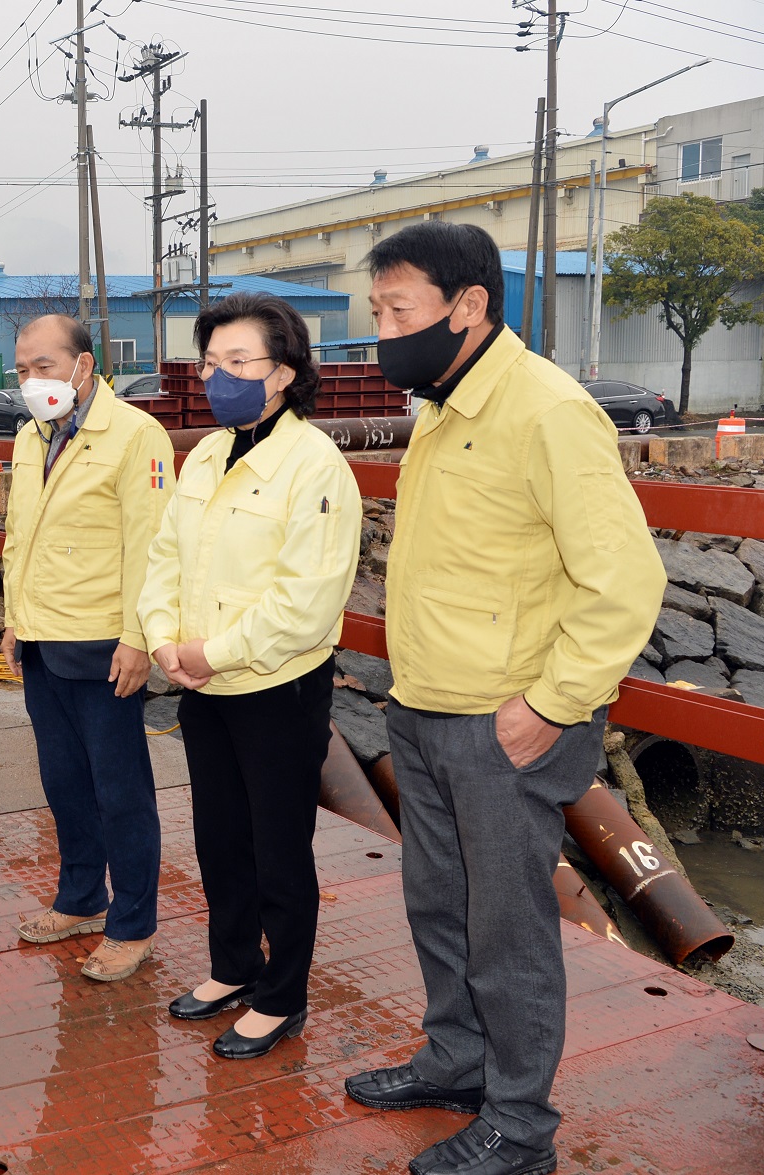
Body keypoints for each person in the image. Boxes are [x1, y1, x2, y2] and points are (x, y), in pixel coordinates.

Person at [343, 222, 664, 1175]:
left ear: (468, 306)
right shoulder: (445, 403)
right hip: (428, 703)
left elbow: (624, 582)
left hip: (506, 722)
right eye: (377, 312)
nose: (384, 331)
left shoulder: (547, 410)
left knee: (509, 928)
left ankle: (520, 1127)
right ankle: (457, 1058)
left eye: (399, 311)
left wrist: (554, 702)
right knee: (438, 904)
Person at [138, 293, 361, 1060]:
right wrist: (164, 639)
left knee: (279, 846)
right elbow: (164, 556)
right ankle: (233, 966)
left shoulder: (314, 465)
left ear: (284, 372)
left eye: (239, 362)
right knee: (219, 835)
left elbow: (307, 600)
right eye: (210, 362)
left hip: (275, 687)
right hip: (202, 685)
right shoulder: (205, 452)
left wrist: (213, 652)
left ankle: (282, 994)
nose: (218, 376)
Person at [0, 314, 175, 982]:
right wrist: (13, 618)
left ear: (83, 364)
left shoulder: (136, 435)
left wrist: (137, 638)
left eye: (43, 366)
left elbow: (151, 544)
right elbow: (20, 534)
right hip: (43, 638)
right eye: (21, 369)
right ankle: (81, 898)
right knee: (65, 782)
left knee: (120, 788)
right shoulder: (28, 437)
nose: (30, 381)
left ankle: (133, 923)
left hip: (105, 643)